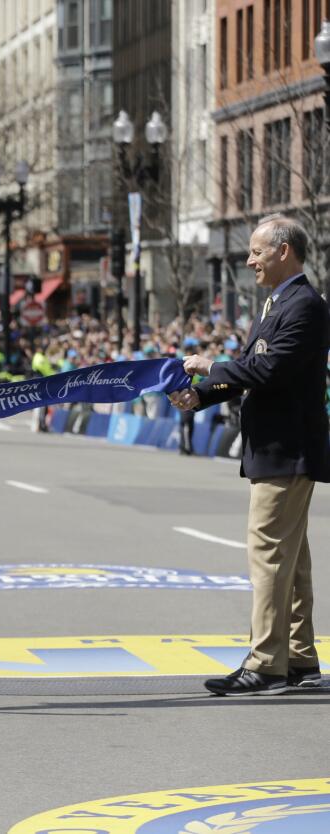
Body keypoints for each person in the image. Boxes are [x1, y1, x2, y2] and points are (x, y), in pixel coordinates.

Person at [172, 214, 330, 696]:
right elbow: (248, 368)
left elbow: (266, 370)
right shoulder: (277, 302)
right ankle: (299, 658)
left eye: (258, 251)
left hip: (287, 450)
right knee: (291, 560)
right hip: (276, 448)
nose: (249, 260)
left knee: (267, 555)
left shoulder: (303, 305)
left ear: (285, 252)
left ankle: (265, 664)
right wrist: (201, 395)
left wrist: (209, 365)